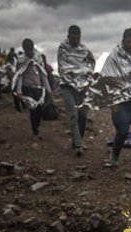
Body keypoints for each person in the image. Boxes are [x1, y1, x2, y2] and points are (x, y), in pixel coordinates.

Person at [99, 28, 131, 171]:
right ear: (123, 41)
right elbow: (105, 76)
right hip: (120, 101)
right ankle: (114, 157)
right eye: (129, 42)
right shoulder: (114, 57)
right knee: (122, 131)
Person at [57, 25, 96, 157]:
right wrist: (74, 80)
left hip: (82, 88)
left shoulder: (84, 50)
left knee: (83, 116)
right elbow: (63, 68)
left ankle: (77, 140)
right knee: (73, 115)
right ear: (68, 37)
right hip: (68, 87)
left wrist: (88, 81)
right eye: (73, 38)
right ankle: (78, 146)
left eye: (77, 38)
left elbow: (91, 64)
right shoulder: (63, 48)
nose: (75, 40)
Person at [13, 38, 52, 137]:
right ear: (24, 49)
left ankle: (37, 126)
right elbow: (20, 76)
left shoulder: (38, 58)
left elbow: (43, 75)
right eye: (27, 50)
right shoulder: (21, 60)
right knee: (33, 109)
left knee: (39, 109)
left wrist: (48, 89)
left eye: (30, 49)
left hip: (38, 88)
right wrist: (19, 90)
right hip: (28, 88)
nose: (29, 52)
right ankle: (35, 130)